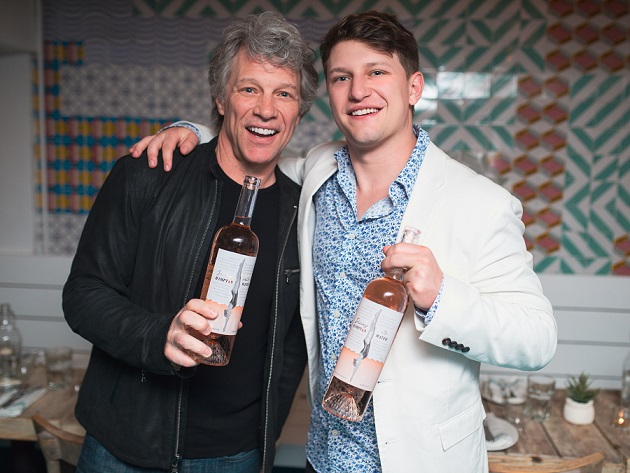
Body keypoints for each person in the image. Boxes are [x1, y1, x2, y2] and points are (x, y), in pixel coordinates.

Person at [131, 11, 557, 472]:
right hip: (324, 457)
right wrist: (193, 132)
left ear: (413, 87)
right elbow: (251, 140)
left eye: (377, 72)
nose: (358, 91)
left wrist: (442, 297)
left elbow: (536, 340)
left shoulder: (480, 202)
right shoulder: (315, 171)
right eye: (341, 77)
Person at [62, 11, 318, 473]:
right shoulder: (147, 175)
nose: (267, 109)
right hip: (124, 448)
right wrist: (160, 335)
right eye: (249, 89)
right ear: (221, 98)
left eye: (285, 93)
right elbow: (83, 295)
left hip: (238, 456)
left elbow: (292, 343)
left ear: (299, 111)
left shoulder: (305, 212)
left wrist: (266, 432)